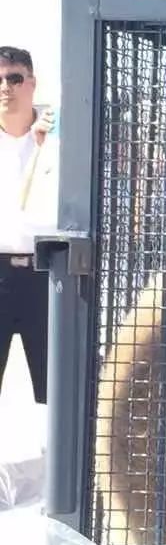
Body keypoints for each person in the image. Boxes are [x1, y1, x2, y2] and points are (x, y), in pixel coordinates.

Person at [0, 46, 59, 405]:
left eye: (14, 78)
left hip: (45, 272)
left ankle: (60, 461)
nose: (6, 86)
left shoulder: (57, 134)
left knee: (53, 384)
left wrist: (47, 144)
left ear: (31, 83)